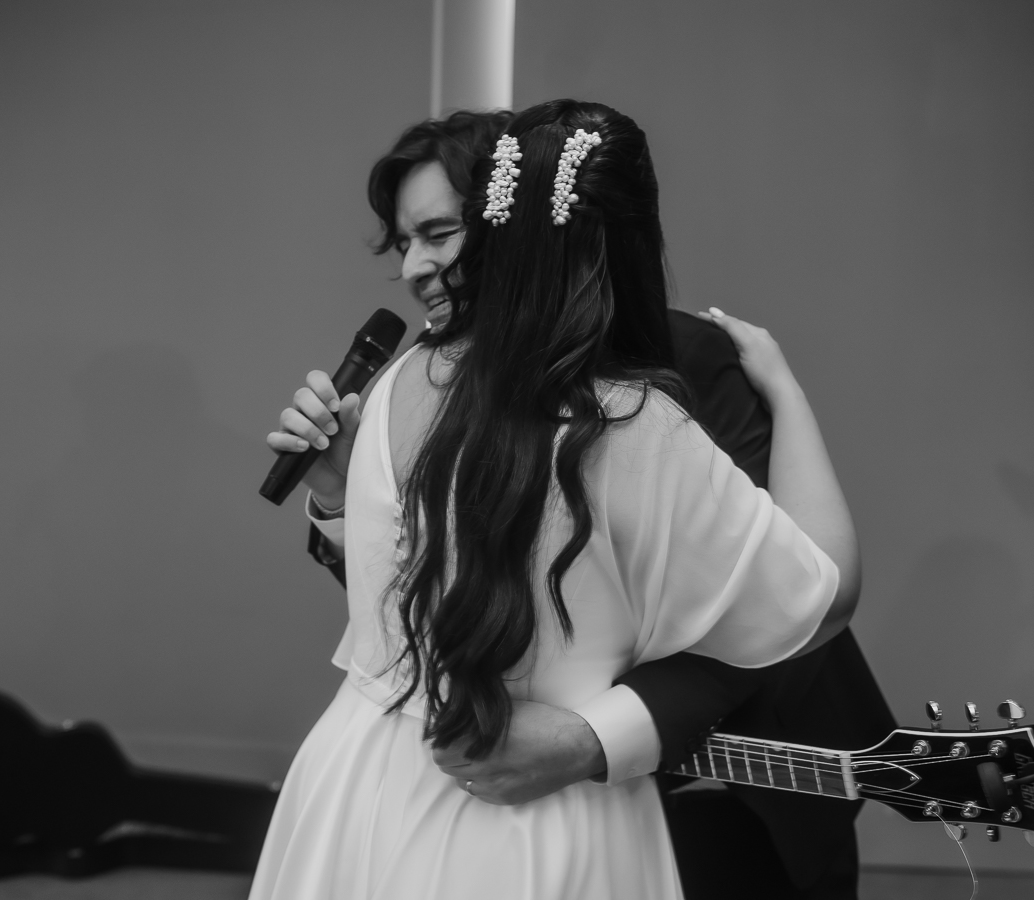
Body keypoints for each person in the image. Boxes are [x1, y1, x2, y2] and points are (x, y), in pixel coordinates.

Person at [253, 99, 858, 900]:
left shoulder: (402, 379)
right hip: (535, 822)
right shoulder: (639, 423)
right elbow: (820, 593)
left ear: (491, 223)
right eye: (403, 244)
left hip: (376, 781)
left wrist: (597, 736)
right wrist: (787, 390)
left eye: (438, 233)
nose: (415, 267)